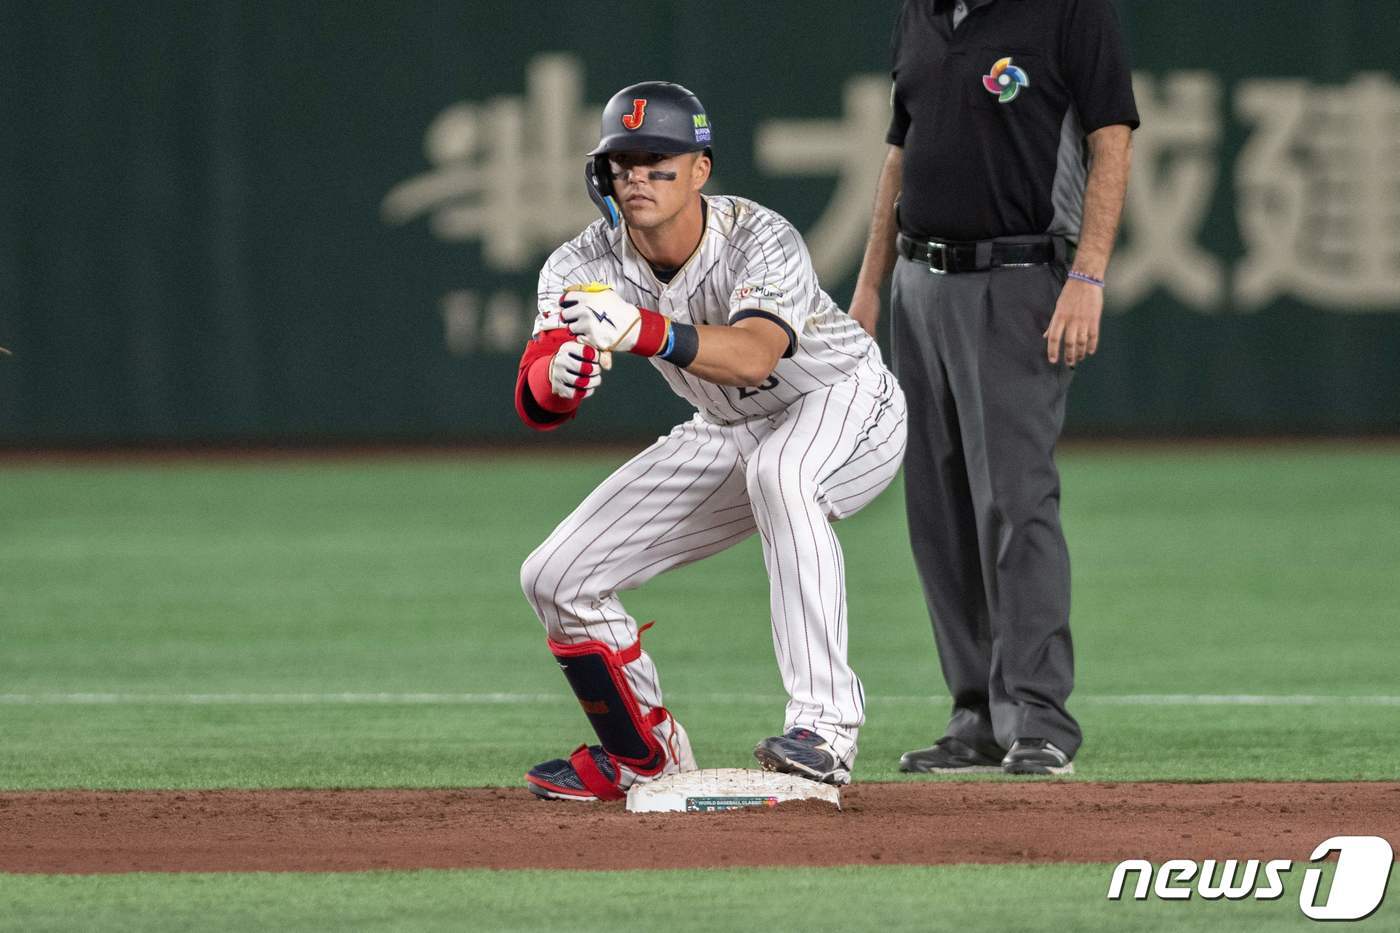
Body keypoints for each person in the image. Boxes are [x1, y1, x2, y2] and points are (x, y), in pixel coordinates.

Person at [515, 81, 907, 800]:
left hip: (846, 400)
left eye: (658, 159)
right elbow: (536, 395)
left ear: (700, 168)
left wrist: (642, 330)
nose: (637, 175)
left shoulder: (759, 235)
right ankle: (644, 755)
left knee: (783, 476)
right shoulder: (581, 263)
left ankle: (825, 729)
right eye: (623, 160)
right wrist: (558, 379)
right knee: (555, 576)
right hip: (727, 428)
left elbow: (757, 355)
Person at [848, 0, 1139, 775]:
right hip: (918, 279)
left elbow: (1113, 141)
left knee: (1015, 501)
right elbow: (898, 152)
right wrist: (870, 288)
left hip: (1016, 280)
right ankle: (975, 710)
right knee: (936, 509)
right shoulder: (919, 13)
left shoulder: (1068, 10)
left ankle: (1039, 717)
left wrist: (1087, 274)